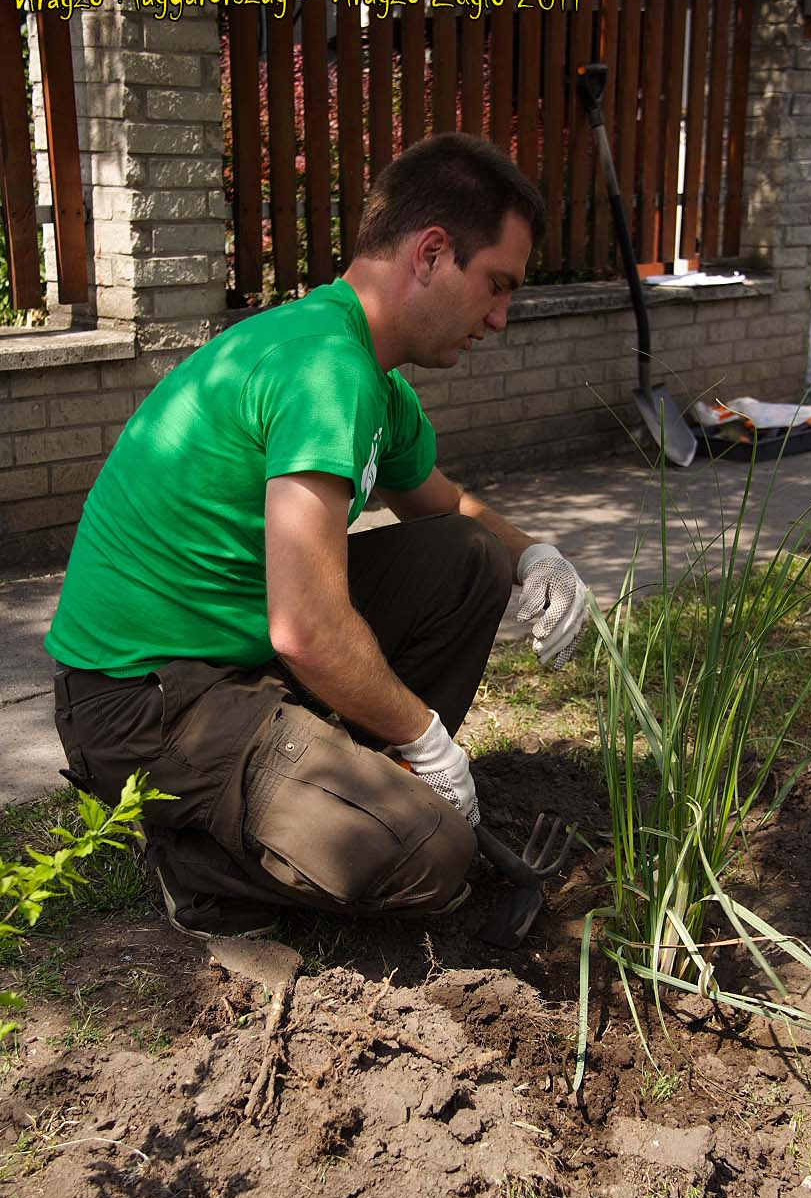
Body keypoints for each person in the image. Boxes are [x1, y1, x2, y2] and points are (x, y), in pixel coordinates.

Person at [45, 133, 589, 939]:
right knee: (431, 855)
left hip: (225, 663)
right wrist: (427, 742)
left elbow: (449, 510)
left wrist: (533, 556)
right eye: (496, 285)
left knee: (468, 558)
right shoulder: (322, 369)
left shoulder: (367, 374)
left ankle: (345, 783)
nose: (502, 318)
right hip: (140, 703)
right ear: (432, 252)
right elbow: (303, 628)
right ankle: (198, 869)